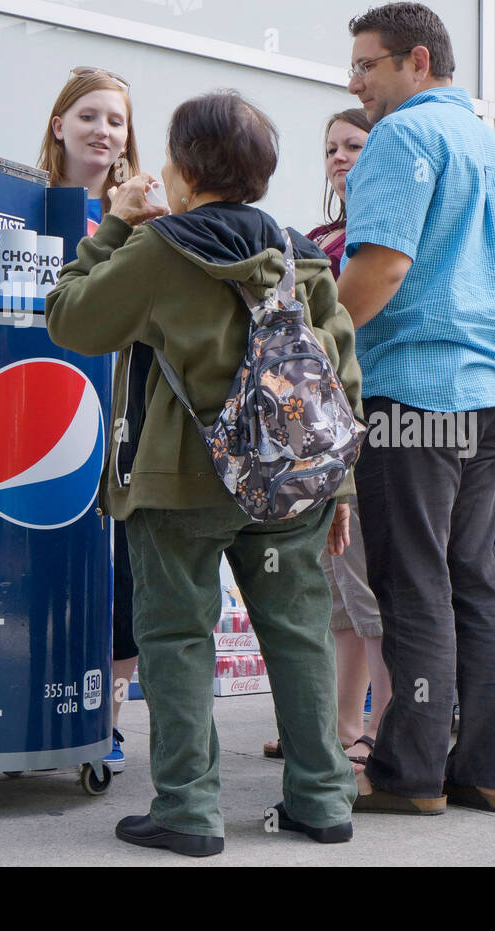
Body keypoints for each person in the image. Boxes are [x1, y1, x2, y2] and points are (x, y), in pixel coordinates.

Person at [46, 90, 362, 854]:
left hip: (180, 484)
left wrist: (116, 223)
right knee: (297, 636)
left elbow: (71, 317)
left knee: (179, 639)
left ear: (183, 170)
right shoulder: (299, 252)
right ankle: (322, 801)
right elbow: (338, 370)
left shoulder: (161, 250)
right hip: (291, 484)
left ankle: (189, 812)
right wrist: (341, 485)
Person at [336, 2, 495, 814]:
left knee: (414, 580)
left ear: (418, 61)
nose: (356, 83)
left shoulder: (405, 137)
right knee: (475, 579)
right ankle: (488, 771)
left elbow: (380, 268)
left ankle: (409, 773)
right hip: (491, 395)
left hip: (415, 389)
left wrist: (317, 345)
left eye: (367, 66)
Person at [263, 107, 389, 770]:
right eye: (331, 147)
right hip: (314, 435)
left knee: (365, 587)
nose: (339, 156)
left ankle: (375, 733)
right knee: (333, 588)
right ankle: (340, 724)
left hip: (363, 426)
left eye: (355, 145)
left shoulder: (380, 240)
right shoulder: (315, 238)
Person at [36, 65, 144, 773]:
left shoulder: (145, 211)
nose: (104, 131)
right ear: (59, 126)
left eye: (116, 120)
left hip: (129, 416)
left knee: (127, 572)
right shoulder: (27, 210)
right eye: (89, 117)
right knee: (53, 561)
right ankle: (38, 699)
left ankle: (104, 718)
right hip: (52, 413)